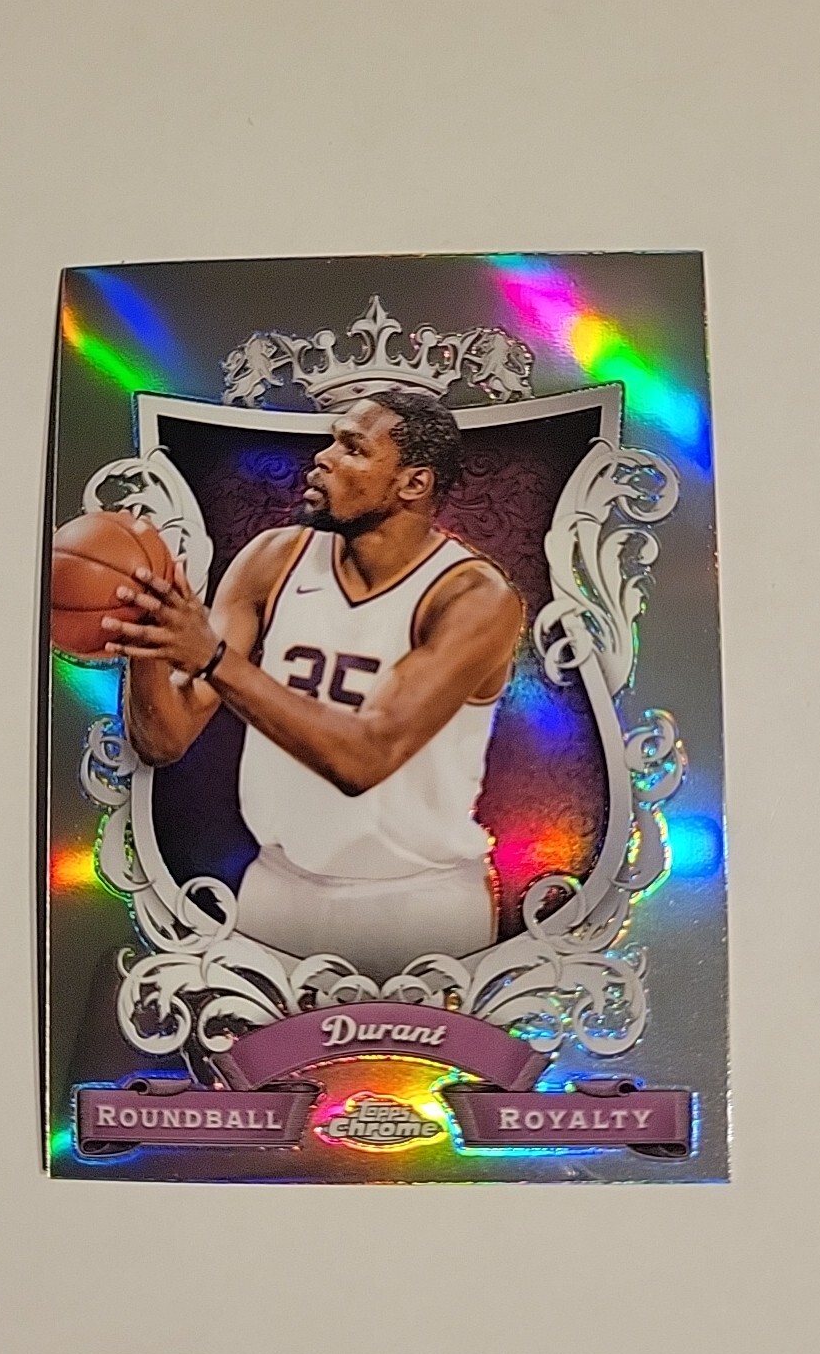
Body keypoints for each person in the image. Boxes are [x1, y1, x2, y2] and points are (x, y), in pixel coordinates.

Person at [102, 389, 524, 979]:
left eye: (353, 448)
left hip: (421, 902)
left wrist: (214, 658)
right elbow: (165, 738)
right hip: (279, 886)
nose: (322, 457)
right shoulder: (273, 559)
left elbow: (366, 758)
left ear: (413, 483)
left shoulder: (474, 598)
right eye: (331, 441)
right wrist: (146, 635)